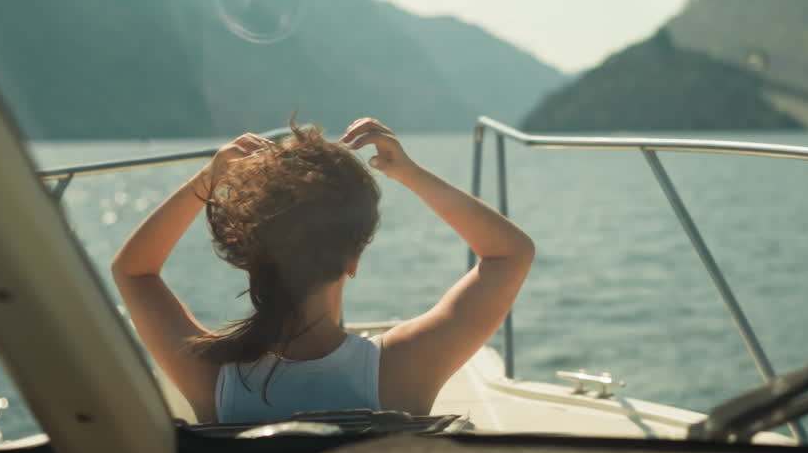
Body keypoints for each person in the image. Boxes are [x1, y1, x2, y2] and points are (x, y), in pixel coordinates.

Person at [111, 116, 535, 423]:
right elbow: (509, 254)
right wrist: (408, 172)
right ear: (353, 261)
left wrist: (209, 178)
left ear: (250, 256)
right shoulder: (400, 370)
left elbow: (134, 272)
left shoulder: (212, 376)